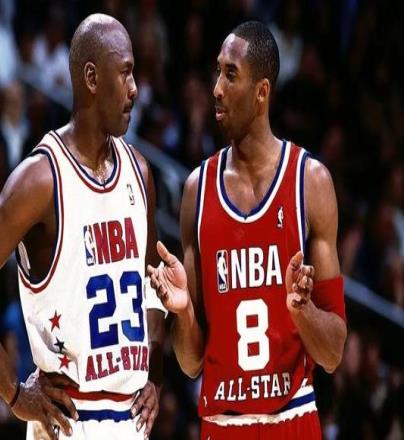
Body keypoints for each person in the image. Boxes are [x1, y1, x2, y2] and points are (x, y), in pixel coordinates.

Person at [0, 14, 165, 440]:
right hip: (69, 419)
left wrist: (153, 372)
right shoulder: (41, 179)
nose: (135, 88)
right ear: (92, 78)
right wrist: (13, 394)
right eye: (125, 73)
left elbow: (152, 284)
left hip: (130, 420)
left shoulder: (140, 172)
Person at [148, 21, 347, 439]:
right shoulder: (197, 191)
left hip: (293, 417)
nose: (216, 88)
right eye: (217, 72)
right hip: (224, 423)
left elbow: (332, 353)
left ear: (262, 92)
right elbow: (190, 362)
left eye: (230, 74)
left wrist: (304, 312)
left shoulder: (310, 182)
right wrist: (183, 312)